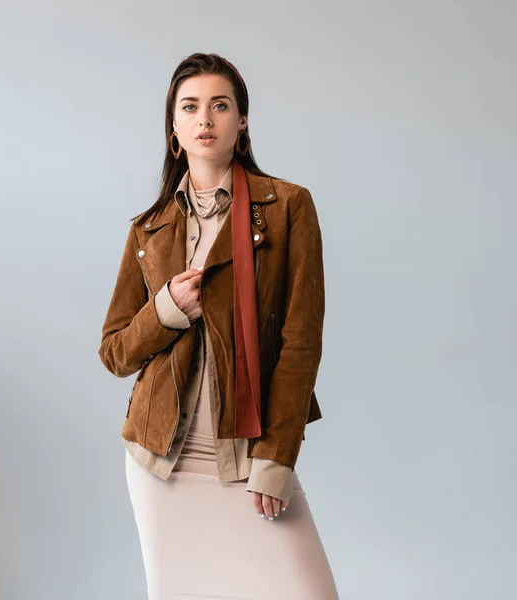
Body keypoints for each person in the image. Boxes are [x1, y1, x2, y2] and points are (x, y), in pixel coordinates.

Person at [98, 52, 339, 599]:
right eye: (190, 107)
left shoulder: (288, 208)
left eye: (220, 105)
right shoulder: (149, 229)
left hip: (247, 452)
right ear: (175, 128)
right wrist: (165, 311)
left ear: (242, 121)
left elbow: (301, 342)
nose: (205, 117)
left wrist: (277, 456)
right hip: (161, 460)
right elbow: (114, 352)